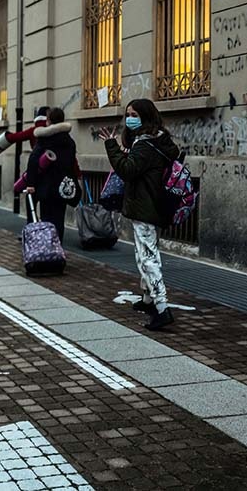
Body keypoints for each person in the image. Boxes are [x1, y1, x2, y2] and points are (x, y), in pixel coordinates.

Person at [99, 98, 180, 331]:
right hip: (152, 204)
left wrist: (112, 147)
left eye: (134, 114)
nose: (129, 118)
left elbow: (127, 170)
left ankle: (162, 308)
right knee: (142, 253)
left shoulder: (145, 144)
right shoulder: (158, 140)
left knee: (148, 257)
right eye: (128, 114)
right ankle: (147, 299)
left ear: (145, 116)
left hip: (146, 207)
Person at [24, 107, 78, 244]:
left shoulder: (44, 139)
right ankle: (57, 247)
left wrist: (30, 183)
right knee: (59, 220)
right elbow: (71, 163)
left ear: (48, 121)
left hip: (46, 188)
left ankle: (47, 250)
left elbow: (33, 160)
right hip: (62, 187)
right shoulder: (69, 141)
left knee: (47, 218)